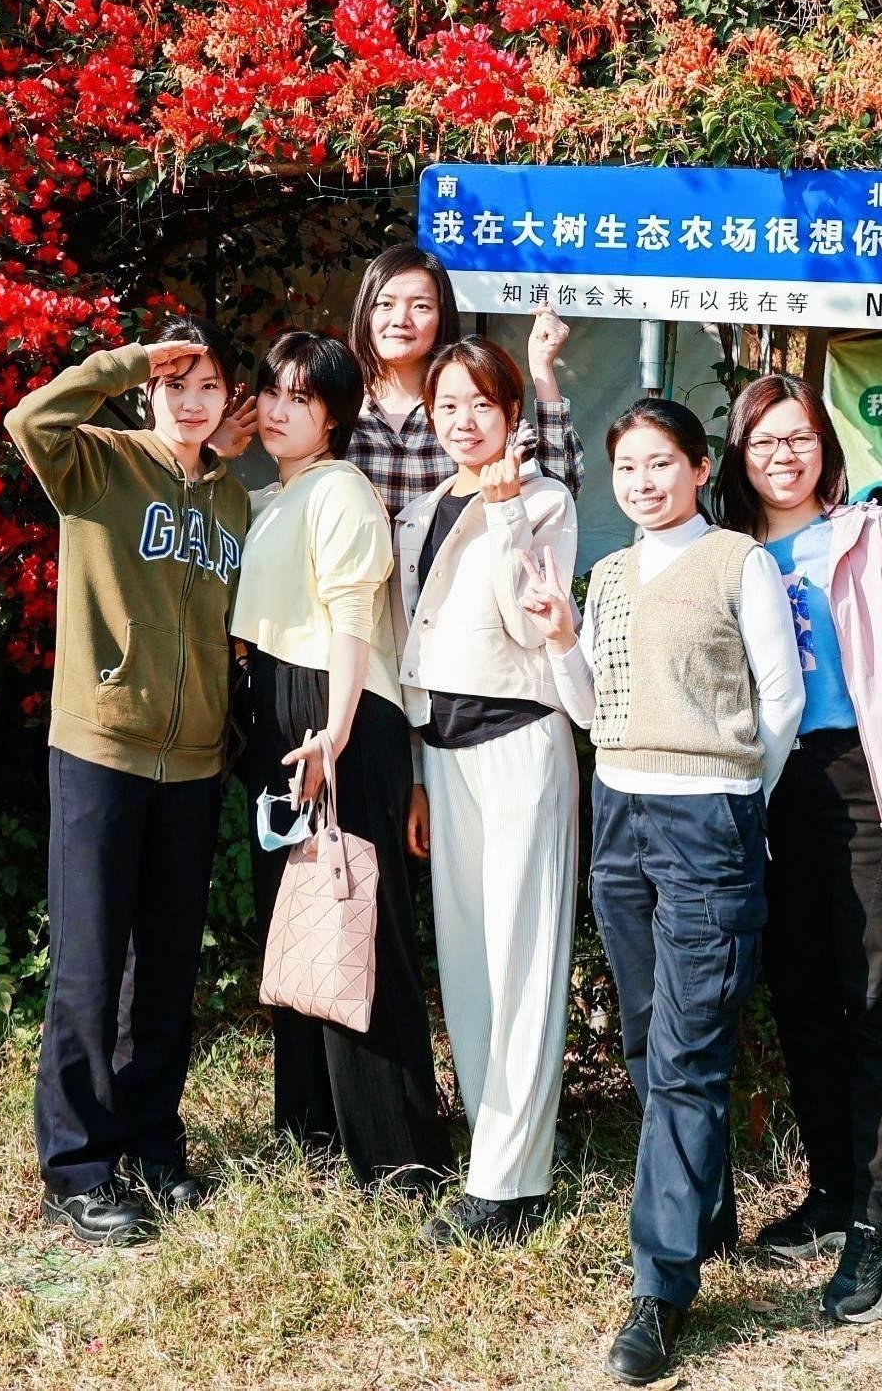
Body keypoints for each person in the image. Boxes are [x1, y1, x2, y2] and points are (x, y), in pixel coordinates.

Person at [529, 398, 806, 1386]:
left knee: (687, 1056)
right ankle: (708, 1212)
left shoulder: (741, 563)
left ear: (698, 467)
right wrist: (564, 636)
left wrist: (734, 797)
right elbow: (591, 706)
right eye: (628, 469)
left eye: (661, 464)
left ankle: (660, 1286)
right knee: (649, 1041)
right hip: (619, 818)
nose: (643, 482)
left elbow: (782, 703)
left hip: (707, 824)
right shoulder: (605, 576)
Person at [718, 376, 882, 1324]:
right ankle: (833, 1192)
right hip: (770, 788)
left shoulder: (867, 535)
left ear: (826, 450)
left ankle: (876, 1226)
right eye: (764, 442)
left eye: (800, 439)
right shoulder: (728, 554)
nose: (783, 455)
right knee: (800, 994)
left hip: (866, 786)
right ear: (740, 456)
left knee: (879, 998)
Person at [2, 324, 250, 1248]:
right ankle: (76, 1168)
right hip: (101, 749)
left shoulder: (234, 506)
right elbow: (30, 417)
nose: (191, 399)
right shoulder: (98, 467)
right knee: (89, 966)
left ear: (229, 401)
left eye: (209, 384)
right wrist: (131, 359)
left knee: (165, 969)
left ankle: (152, 1144)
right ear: (152, 391)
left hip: (191, 761)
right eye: (176, 383)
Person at [230, 331, 450, 1189]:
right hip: (284, 710)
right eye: (271, 393)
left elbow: (355, 619)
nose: (281, 411)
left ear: (334, 414)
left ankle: (398, 1152)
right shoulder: (270, 496)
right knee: (300, 917)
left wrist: (336, 730)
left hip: (338, 715)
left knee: (359, 919)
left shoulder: (342, 490)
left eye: (301, 397)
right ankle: (314, 1127)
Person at [393, 336, 581, 1245]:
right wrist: (423, 772)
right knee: (466, 964)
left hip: (521, 746)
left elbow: (525, 623)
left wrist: (507, 519)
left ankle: (512, 1184)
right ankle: (491, 1150)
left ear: (514, 415)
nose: (465, 422)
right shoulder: (422, 509)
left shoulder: (543, 500)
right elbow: (418, 652)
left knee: (523, 962)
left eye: (483, 406)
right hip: (449, 757)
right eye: (450, 405)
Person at [345, 244, 584, 514]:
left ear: (442, 316)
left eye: (421, 306)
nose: (401, 319)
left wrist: (541, 366)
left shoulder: (473, 407)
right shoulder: (338, 408)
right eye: (385, 304)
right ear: (365, 312)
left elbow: (559, 488)